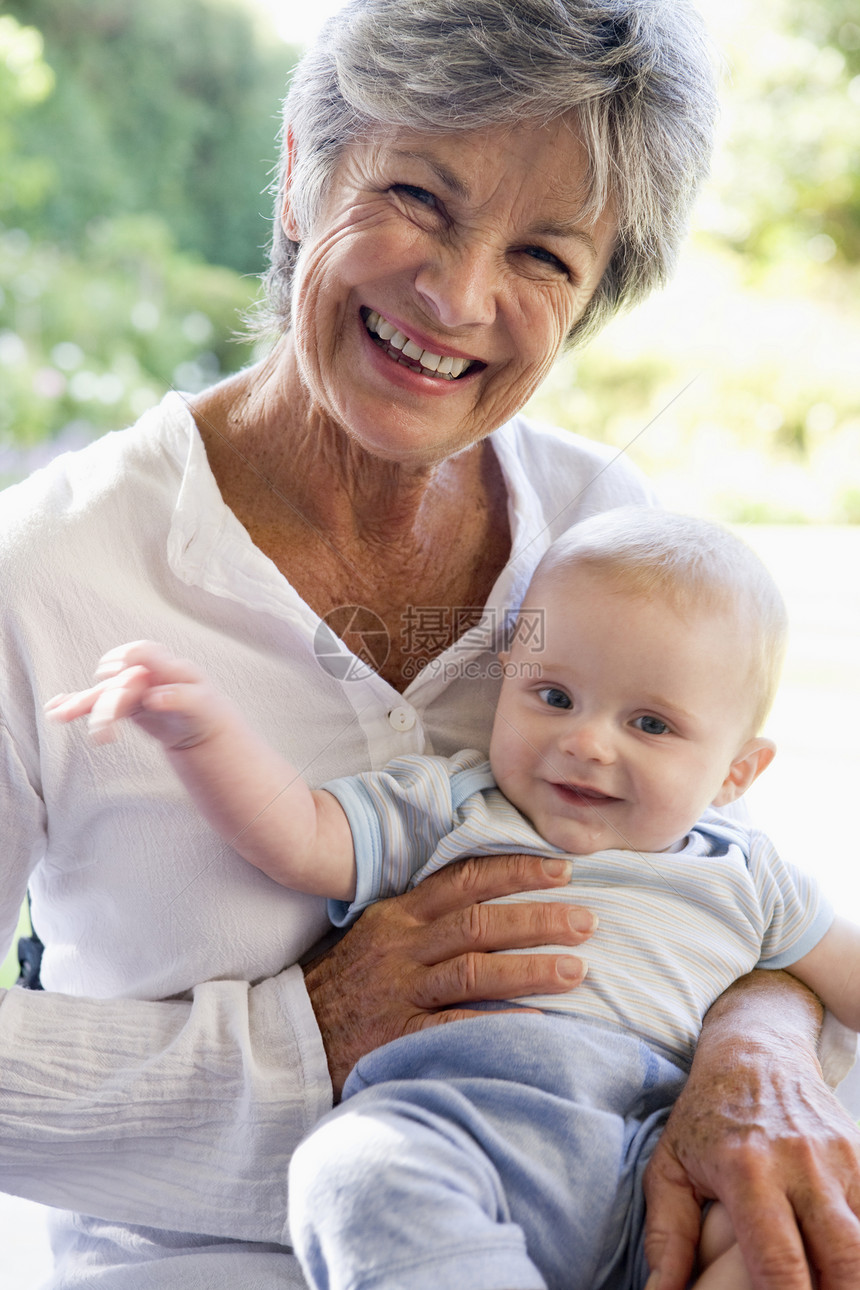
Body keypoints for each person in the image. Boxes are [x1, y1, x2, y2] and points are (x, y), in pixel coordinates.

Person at [0, 3, 858, 1288]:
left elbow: (724, 891)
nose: (457, 298)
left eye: (544, 257)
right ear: (299, 172)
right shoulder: (44, 573)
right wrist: (310, 1037)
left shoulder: (602, 528)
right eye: (419, 196)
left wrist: (755, 1045)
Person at [46, 508, 855, 1290]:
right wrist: (202, 734)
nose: (586, 741)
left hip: (660, 1156)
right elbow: (301, 837)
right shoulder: (459, 803)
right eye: (554, 697)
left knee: (792, 1230)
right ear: (508, 682)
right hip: (453, 1126)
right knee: (352, 1170)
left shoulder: (748, 873)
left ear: (737, 774)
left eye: (649, 724)